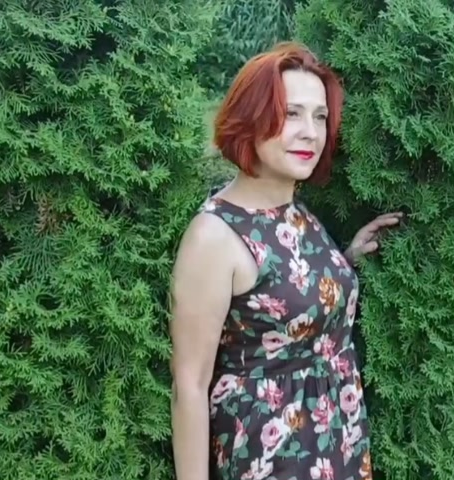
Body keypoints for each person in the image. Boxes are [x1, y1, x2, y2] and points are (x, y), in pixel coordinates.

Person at [169, 41, 402, 480]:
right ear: (251, 116)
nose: (310, 132)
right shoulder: (214, 237)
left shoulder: (294, 211)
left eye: (320, 116)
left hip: (337, 444)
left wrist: (344, 261)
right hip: (273, 458)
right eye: (291, 113)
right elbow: (190, 386)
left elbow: (283, 301)